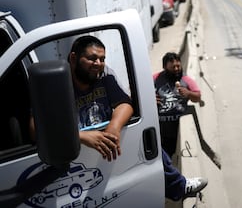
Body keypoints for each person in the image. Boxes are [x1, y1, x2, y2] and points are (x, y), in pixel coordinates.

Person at [29, 35, 207, 200]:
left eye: (102, 59)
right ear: (74, 58)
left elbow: (124, 103)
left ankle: (179, 187)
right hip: (75, 152)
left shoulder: (105, 74)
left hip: (109, 145)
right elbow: (35, 129)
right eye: (92, 58)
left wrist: (114, 127)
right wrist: (79, 136)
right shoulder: (57, 83)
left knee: (147, 140)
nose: (98, 63)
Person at [153, 52, 201, 157]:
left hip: (178, 128)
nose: (176, 69)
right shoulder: (155, 78)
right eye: (172, 67)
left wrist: (188, 93)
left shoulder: (186, 80)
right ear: (165, 67)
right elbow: (137, 92)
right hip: (160, 129)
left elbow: (198, 96)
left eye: (178, 66)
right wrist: (149, 98)